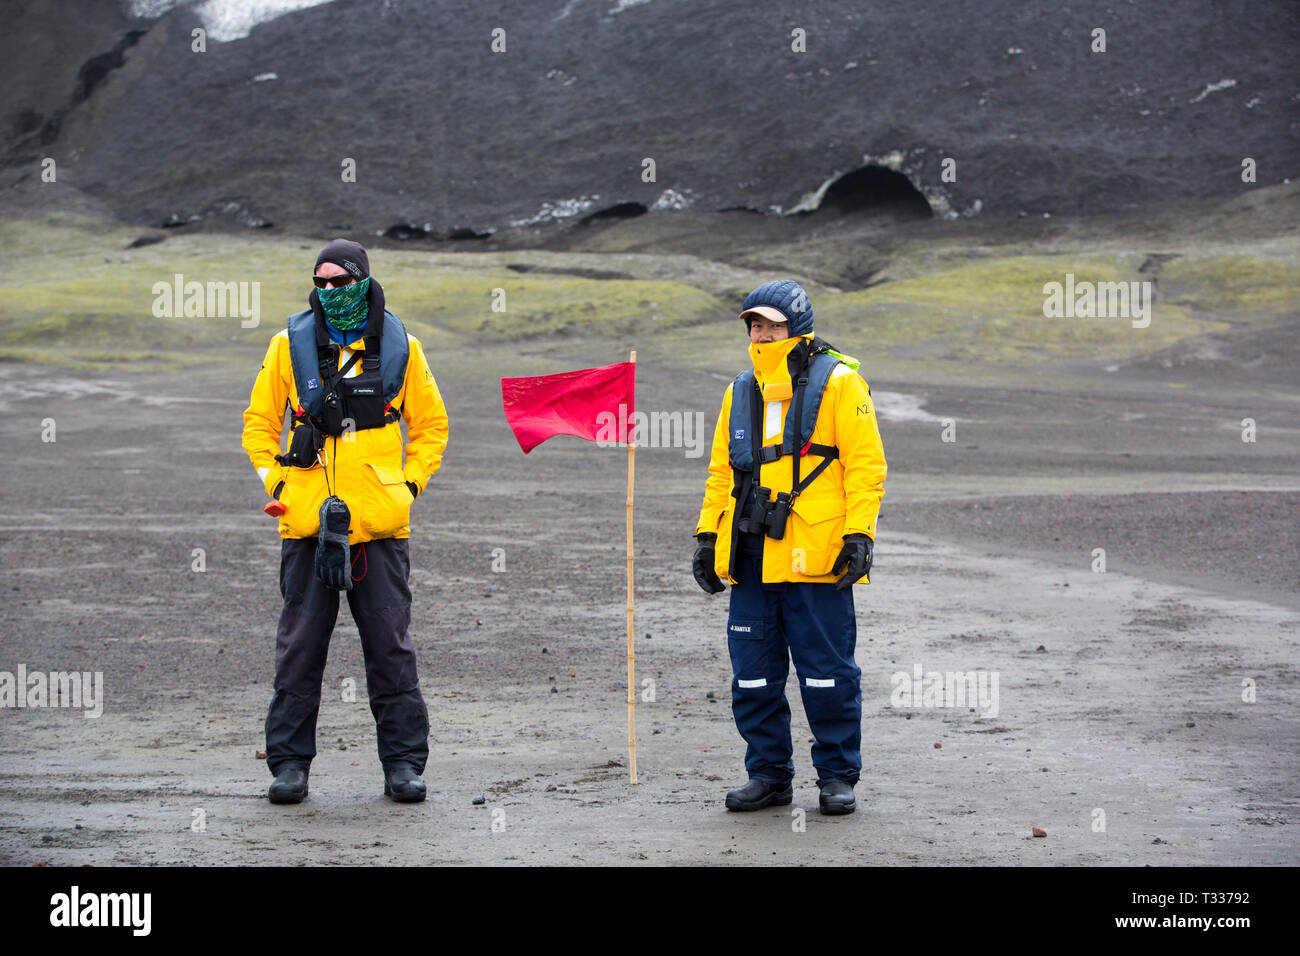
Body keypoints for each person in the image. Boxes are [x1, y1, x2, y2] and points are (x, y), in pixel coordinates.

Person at [241, 238, 449, 804]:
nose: (329, 291)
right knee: (300, 645)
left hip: (379, 529)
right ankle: (289, 767)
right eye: (320, 282)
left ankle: (403, 765)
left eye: (340, 281)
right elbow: (258, 427)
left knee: (390, 645)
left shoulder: (404, 348)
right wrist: (278, 483)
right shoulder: (288, 345)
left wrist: (407, 488)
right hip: (307, 524)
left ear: (362, 280)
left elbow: (431, 429)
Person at [693, 279, 887, 815]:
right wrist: (708, 537)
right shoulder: (738, 390)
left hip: (817, 557)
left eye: (770, 325)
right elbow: (719, 475)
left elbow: (866, 467)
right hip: (753, 557)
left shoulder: (843, 383)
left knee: (826, 675)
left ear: (797, 327)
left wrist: (860, 533)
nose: (760, 334)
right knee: (752, 674)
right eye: (753, 325)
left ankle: (836, 777)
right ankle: (769, 775)